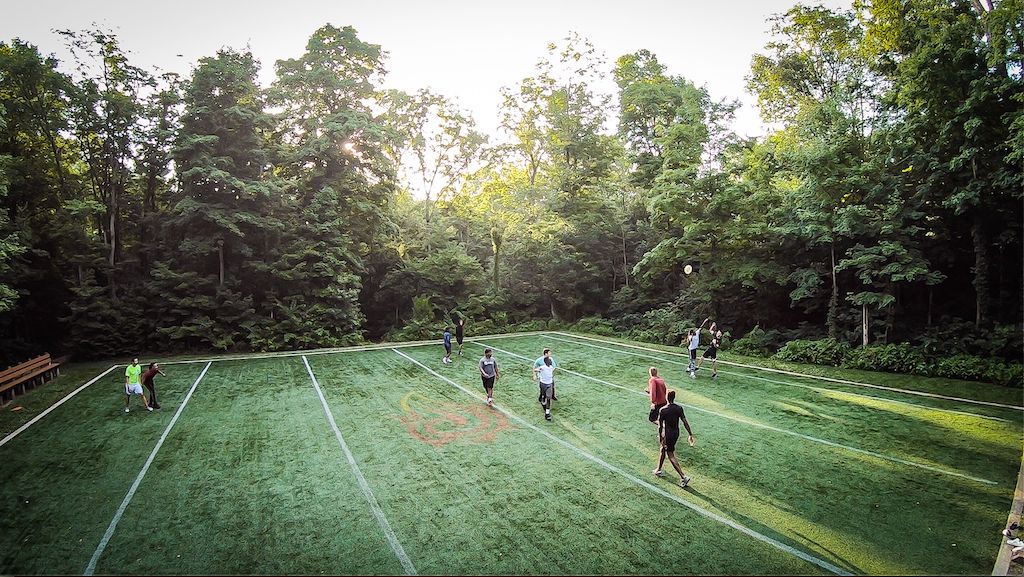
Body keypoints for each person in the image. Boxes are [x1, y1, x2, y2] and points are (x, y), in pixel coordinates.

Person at [653, 390, 696, 487]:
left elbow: (660, 426)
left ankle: (683, 476)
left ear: (666, 397)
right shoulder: (679, 408)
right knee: (663, 449)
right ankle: (658, 469)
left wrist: (660, 437)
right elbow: (685, 422)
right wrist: (690, 434)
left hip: (667, 434)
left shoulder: (663, 410)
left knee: (670, 454)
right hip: (676, 433)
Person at [533, 356, 556, 421]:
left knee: (548, 398)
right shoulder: (542, 367)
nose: (551, 362)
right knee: (543, 396)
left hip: (549, 384)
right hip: (543, 384)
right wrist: (538, 370)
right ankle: (543, 402)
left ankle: (547, 413)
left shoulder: (551, 367)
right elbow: (535, 369)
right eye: (549, 361)